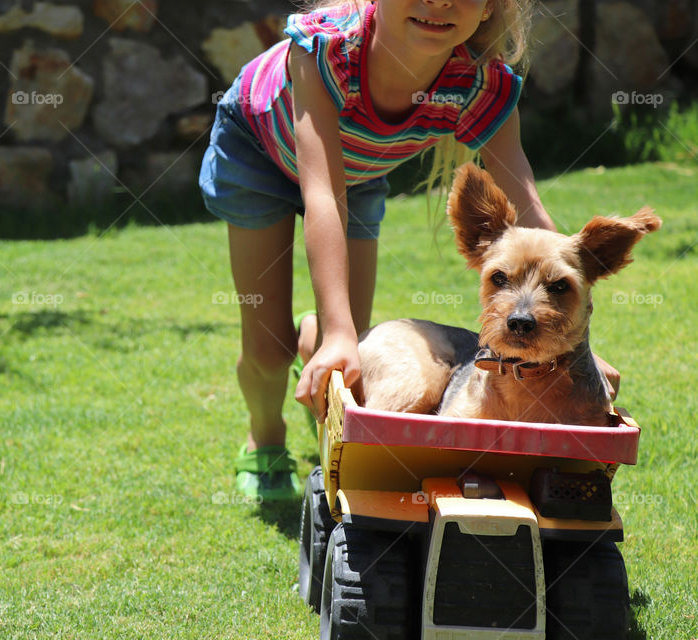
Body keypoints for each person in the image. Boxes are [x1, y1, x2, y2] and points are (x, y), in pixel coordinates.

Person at [198, 0, 619, 501]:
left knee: (352, 346)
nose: (439, 3)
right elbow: (321, 198)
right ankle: (264, 441)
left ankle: (320, 335)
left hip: (357, 170)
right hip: (258, 149)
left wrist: (577, 350)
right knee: (271, 347)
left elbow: (533, 223)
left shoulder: (480, 84)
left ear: (489, 9)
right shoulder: (324, 49)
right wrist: (335, 332)